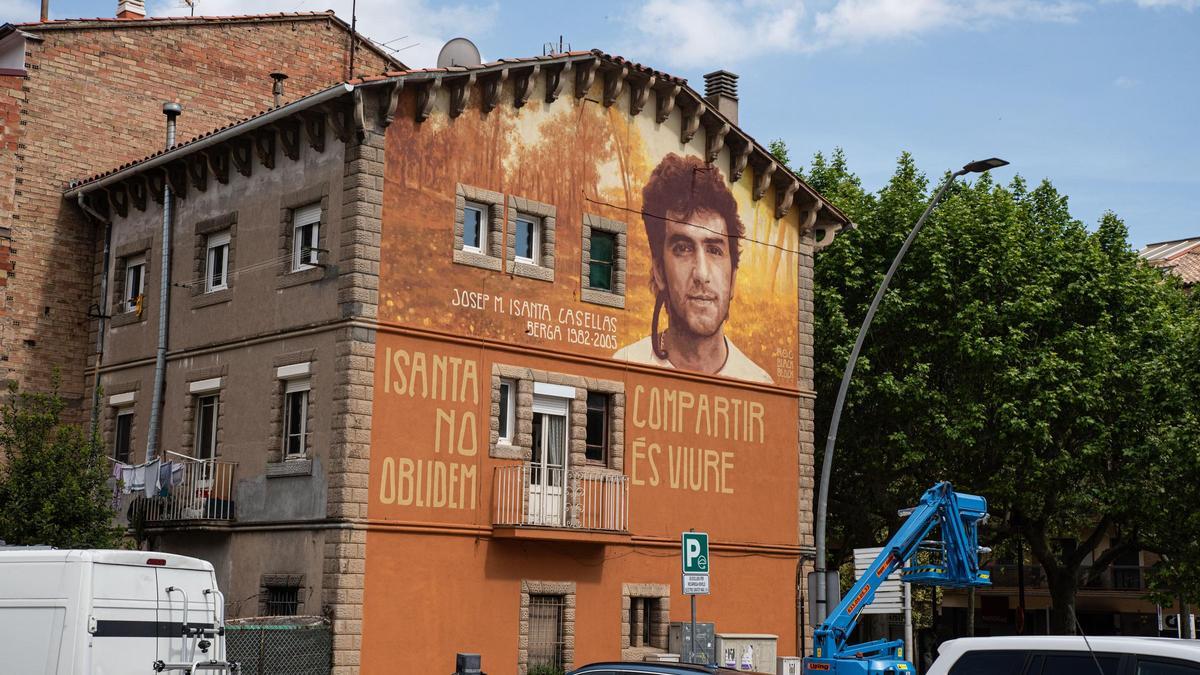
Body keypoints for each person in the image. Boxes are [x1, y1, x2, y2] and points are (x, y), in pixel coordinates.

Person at [614, 153, 772, 384]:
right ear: (659, 271)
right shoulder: (623, 368)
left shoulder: (760, 385)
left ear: (733, 279)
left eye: (715, 250)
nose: (702, 274)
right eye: (682, 249)